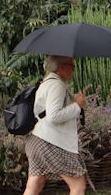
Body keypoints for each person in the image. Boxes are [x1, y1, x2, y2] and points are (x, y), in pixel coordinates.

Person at [21, 54, 87, 195]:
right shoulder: (57, 85)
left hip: (36, 140)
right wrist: (78, 105)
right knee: (78, 185)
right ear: (61, 68)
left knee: (35, 184)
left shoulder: (46, 83)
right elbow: (54, 116)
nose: (73, 71)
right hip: (49, 141)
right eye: (72, 66)